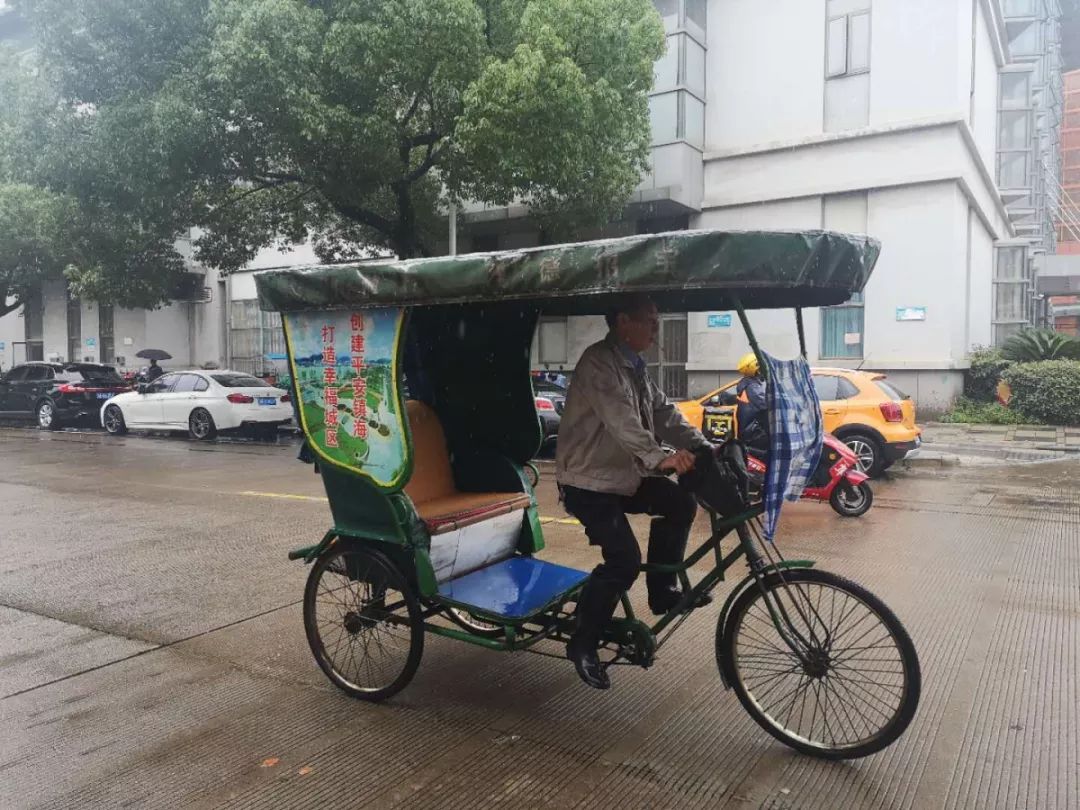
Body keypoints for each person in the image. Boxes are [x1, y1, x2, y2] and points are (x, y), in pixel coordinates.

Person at [556, 294, 711, 690]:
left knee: (680, 502)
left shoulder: (635, 367)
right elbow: (622, 421)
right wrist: (660, 458)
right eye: (650, 321)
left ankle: (662, 592)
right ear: (623, 321)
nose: (656, 330)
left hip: (623, 475)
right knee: (623, 559)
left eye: (657, 321)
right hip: (587, 481)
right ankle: (583, 642)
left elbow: (663, 413)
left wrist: (702, 446)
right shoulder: (599, 363)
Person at [734, 352, 768, 456]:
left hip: (750, 432)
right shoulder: (753, 388)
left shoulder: (748, 384)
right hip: (755, 434)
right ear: (756, 369)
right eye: (762, 367)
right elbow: (766, 405)